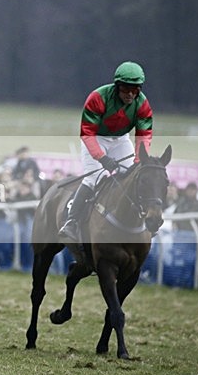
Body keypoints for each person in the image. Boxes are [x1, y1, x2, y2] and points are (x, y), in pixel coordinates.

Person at [58, 61, 154, 243]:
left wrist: (139, 160)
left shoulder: (142, 104)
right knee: (93, 178)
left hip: (120, 139)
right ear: (118, 86)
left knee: (131, 175)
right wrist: (102, 158)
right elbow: (87, 133)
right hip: (95, 138)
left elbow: (144, 135)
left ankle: (140, 219)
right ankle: (71, 221)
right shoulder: (98, 97)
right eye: (127, 89)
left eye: (136, 90)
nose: (131, 94)